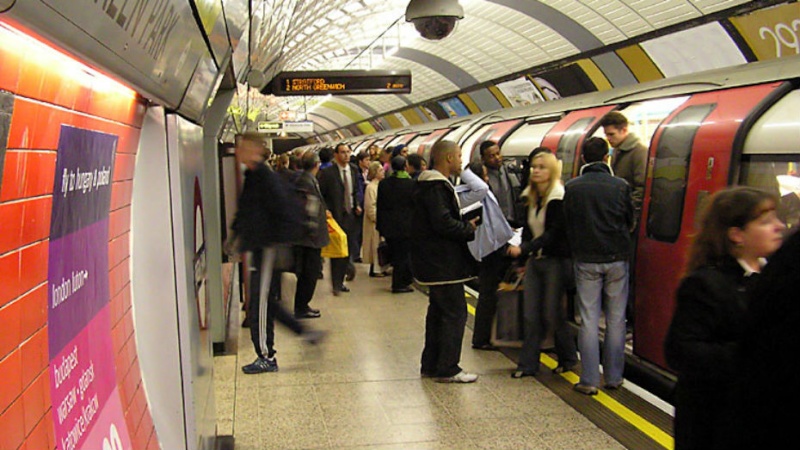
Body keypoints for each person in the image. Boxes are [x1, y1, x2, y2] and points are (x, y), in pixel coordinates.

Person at [664, 187, 784, 450]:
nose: (779, 226)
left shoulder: (774, 278)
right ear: (737, 234)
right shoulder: (706, 284)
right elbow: (681, 350)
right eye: (765, 222)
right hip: (715, 420)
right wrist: (757, 354)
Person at [231, 133, 323, 374]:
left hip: (266, 247)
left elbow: (283, 211)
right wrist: (235, 236)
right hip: (261, 246)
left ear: (253, 150)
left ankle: (266, 356)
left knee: (259, 304)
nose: (238, 152)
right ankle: (304, 332)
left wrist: (272, 241)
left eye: (241, 147)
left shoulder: (263, 177)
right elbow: (247, 211)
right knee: (268, 302)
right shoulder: (255, 175)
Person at [563, 137, 634, 395]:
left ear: (583, 158)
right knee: (616, 320)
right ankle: (614, 377)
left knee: (589, 320)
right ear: (607, 158)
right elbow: (630, 220)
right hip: (617, 259)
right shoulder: (620, 186)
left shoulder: (572, 187)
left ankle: (590, 380)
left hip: (586, 260)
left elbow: (568, 223)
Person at [411, 140, 480, 383]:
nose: (461, 160)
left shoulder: (423, 184)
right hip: (443, 263)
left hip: (432, 261)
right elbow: (442, 223)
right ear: (449, 158)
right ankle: (448, 367)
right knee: (455, 313)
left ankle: (430, 364)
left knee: (438, 312)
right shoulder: (437, 186)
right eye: (459, 156)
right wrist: (467, 228)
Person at [507, 151, 577, 378]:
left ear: (552, 171)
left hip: (555, 261)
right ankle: (527, 365)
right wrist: (522, 258)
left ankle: (567, 358)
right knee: (530, 314)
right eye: (534, 167)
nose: (536, 171)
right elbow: (528, 230)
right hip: (535, 262)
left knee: (552, 313)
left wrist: (524, 249)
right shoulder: (531, 197)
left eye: (542, 167)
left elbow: (553, 234)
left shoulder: (558, 197)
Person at [471, 140, 521, 351]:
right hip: (493, 241)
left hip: (510, 233)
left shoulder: (508, 173)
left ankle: (500, 333)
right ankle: (481, 338)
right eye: (491, 156)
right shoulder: (480, 183)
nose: (496, 158)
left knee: (505, 288)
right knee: (489, 289)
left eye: (498, 154)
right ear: (483, 159)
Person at [318, 143, 362, 295]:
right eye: (343, 152)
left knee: (348, 248)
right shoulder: (328, 173)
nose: (346, 155)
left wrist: (357, 204)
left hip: (351, 215)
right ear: (336, 155)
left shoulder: (355, 170)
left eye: (348, 152)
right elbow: (321, 194)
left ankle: (343, 276)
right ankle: (336, 283)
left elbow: (356, 190)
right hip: (335, 217)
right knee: (338, 251)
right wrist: (326, 210)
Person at [292, 151, 329, 319]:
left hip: (308, 238)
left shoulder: (306, 180)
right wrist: (314, 233)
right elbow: (310, 211)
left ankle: (302, 305)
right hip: (309, 239)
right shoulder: (306, 182)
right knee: (309, 273)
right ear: (317, 164)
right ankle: (301, 307)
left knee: (309, 273)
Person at [377, 156, 416, 293]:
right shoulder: (412, 185)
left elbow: (380, 207)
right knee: (403, 256)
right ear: (405, 166)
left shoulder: (384, 184)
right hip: (406, 227)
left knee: (396, 254)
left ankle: (401, 282)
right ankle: (399, 284)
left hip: (389, 227)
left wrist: (380, 227)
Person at [599, 111, 647, 216]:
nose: (608, 138)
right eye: (606, 134)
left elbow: (642, 187)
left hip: (629, 214)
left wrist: (626, 211)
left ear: (624, 130)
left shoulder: (639, 152)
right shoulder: (617, 150)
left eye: (611, 134)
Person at [362, 161, 386, 277]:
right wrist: (377, 218)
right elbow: (370, 206)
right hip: (374, 222)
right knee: (375, 246)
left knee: (378, 246)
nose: (383, 172)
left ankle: (380, 267)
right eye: (380, 170)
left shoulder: (380, 186)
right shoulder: (371, 187)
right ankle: (376, 269)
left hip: (380, 221)